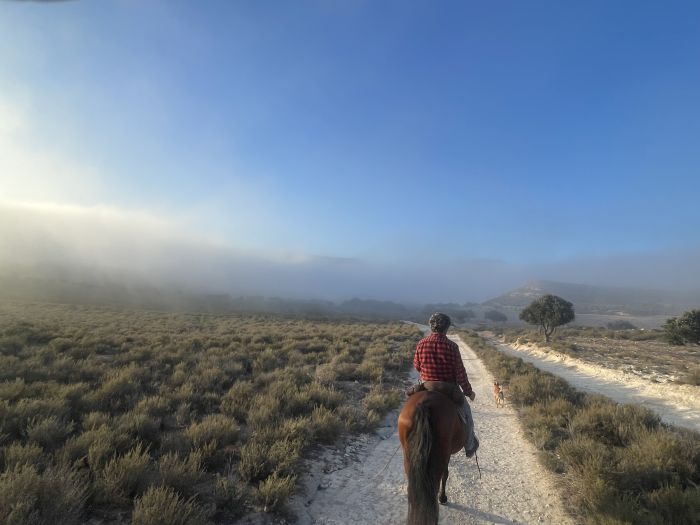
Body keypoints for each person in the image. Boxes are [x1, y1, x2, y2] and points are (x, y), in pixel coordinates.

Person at [413, 312, 479, 457]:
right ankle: (469, 445)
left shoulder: (421, 344)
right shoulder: (452, 346)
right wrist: (469, 392)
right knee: (467, 415)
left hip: (427, 386)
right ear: (446, 328)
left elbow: (417, 366)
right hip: (449, 388)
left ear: (431, 326)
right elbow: (460, 373)